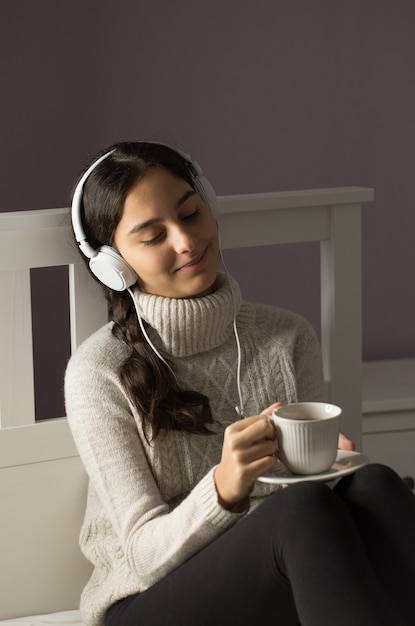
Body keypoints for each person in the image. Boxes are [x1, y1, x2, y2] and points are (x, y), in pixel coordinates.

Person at [65, 141, 415, 626]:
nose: (186, 241)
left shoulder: (287, 336)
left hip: (266, 574)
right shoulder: (99, 371)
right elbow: (143, 557)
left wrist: (328, 471)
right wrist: (225, 489)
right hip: (146, 602)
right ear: (113, 264)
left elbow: (308, 509)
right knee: (301, 510)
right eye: (153, 236)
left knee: (374, 483)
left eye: (191, 214)